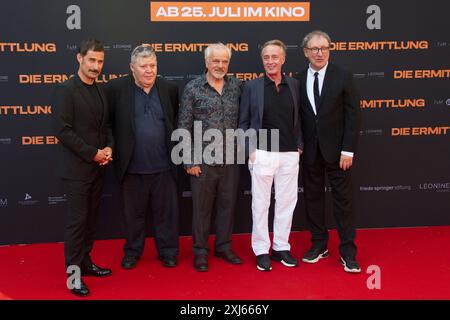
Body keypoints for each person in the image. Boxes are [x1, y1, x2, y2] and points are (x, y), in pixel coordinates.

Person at [105, 44, 179, 270]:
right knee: (133, 216)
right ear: (132, 68)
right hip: (131, 167)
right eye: (143, 66)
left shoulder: (168, 88)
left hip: (164, 166)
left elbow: (175, 122)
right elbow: (107, 124)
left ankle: (167, 252)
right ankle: (133, 252)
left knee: (166, 215)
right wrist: (110, 147)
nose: (149, 70)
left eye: (153, 65)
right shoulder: (116, 89)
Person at [53, 39, 114, 297]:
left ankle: (85, 263)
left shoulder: (100, 90)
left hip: (98, 168)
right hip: (77, 170)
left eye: (100, 62)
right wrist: (93, 154)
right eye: (91, 60)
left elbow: (106, 127)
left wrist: (109, 148)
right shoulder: (66, 90)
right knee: (77, 223)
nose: (96, 66)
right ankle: (73, 275)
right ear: (79, 58)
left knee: (90, 221)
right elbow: (62, 131)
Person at [298, 30, 361, 273]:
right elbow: (298, 118)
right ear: (305, 52)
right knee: (313, 201)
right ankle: (319, 245)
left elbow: (353, 116)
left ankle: (348, 252)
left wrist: (348, 150)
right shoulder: (298, 77)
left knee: (343, 203)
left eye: (324, 48)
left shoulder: (343, 75)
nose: (319, 52)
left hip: (338, 154)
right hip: (310, 153)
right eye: (314, 49)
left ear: (329, 50)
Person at [239, 40, 303, 271]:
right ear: (262, 60)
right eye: (266, 57)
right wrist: (251, 151)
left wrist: (299, 146)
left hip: (289, 154)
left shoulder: (294, 85)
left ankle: (281, 247)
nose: (270, 61)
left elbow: (301, 119)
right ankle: (261, 249)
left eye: (275, 57)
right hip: (262, 153)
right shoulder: (252, 87)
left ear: (283, 59)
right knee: (260, 204)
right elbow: (244, 122)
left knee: (287, 203)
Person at [178, 43, 242, 272]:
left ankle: (224, 247)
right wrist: (189, 160)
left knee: (228, 206)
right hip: (202, 161)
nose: (220, 65)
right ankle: (200, 251)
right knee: (201, 209)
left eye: (224, 61)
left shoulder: (237, 86)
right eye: (216, 61)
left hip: (231, 159)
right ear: (206, 62)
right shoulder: (193, 88)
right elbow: (184, 125)